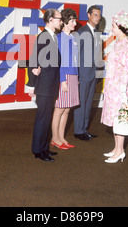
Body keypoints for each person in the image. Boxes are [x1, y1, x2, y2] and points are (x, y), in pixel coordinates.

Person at [27, 9, 63, 161]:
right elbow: (34, 60)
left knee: (46, 117)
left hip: (50, 85)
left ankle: (43, 148)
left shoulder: (52, 36)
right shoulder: (44, 37)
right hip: (44, 85)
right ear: (50, 20)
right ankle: (38, 150)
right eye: (59, 19)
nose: (61, 21)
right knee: (43, 118)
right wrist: (31, 84)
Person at [101, 11, 128, 163]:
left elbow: (126, 70)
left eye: (114, 26)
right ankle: (116, 148)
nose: (112, 28)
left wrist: (123, 92)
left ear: (121, 27)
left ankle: (120, 151)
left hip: (121, 90)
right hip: (113, 88)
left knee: (121, 120)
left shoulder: (127, 45)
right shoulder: (118, 43)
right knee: (115, 120)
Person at [51, 9, 79, 150]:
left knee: (67, 109)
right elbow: (59, 62)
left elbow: (75, 60)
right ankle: (54, 138)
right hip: (64, 77)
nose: (75, 23)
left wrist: (76, 77)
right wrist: (62, 80)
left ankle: (61, 138)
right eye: (73, 21)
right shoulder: (60, 38)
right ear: (66, 22)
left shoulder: (73, 38)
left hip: (73, 76)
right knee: (59, 109)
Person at [73, 5, 102, 141]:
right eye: (95, 15)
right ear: (88, 15)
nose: (98, 17)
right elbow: (75, 55)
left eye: (99, 15)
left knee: (88, 103)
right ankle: (78, 131)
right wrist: (77, 75)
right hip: (83, 75)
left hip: (92, 75)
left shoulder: (97, 34)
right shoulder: (81, 32)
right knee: (81, 104)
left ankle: (84, 129)